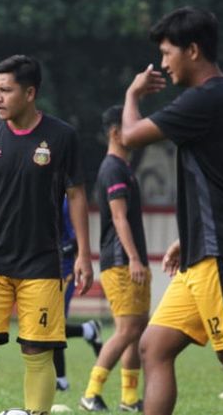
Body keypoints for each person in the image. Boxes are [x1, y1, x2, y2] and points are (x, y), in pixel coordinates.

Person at [120, 7, 223, 415]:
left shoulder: (207, 99)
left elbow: (131, 136)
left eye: (168, 52)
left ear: (192, 50)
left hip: (220, 251)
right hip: (202, 251)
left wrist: (132, 94)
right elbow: (221, 182)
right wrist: (185, 236)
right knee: (153, 346)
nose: (163, 64)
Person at [0, 55, 93, 415]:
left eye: (6, 90)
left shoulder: (62, 137)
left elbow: (77, 195)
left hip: (43, 263)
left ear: (30, 92)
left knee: (37, 350)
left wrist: (83, 254)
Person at [79, 105, 150, 413]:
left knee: (136, 331)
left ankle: (130, 398)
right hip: (121, 260)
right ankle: (91, 393)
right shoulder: (113, 169)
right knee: (127, 331)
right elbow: (119, 218)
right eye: (130, 126)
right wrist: (134, 258)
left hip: (131, 260)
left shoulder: (124, 167)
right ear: (115, 133)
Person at [54, 197, 103, 393]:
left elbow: (75, 242)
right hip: (43, 269)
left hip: (64, 270)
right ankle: (88, 330)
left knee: (53, 325)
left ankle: (61, 381)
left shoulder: (65, 202)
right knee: (46, 325)